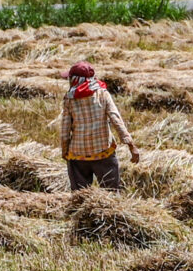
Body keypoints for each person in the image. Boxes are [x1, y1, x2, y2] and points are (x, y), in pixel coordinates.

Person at [59, 61, 139, 190]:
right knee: (110, 194)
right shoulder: (103, 94)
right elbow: (116, 119)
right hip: (103, 153)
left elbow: (65, 130)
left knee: (80, 198)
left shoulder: (69, 99)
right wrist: (131, 145)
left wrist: (65, 151)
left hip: (78, 155)